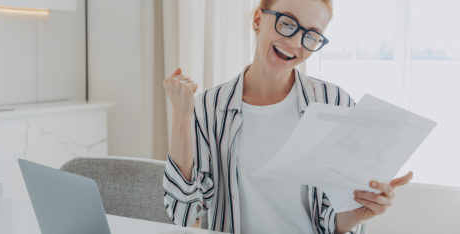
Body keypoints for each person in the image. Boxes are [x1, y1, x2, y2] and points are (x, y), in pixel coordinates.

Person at [162, 0, 413, 233]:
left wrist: (357, 214)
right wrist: (183, 117)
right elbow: (183, 214)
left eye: (311, 35)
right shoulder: (210, 107)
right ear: (258, 20)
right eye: (287, 23)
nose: (295, 43)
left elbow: (332, 220)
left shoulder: (335, 103)